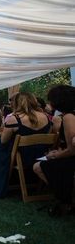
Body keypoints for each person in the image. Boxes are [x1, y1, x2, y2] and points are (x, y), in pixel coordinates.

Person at [0, 92, 52, 198]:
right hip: (43, 156)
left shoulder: (14, 118)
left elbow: (3, 141)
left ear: (17, 103)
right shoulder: (45, 117)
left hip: (23, 158)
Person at [33, 85, 75, 216]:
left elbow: (72, 150)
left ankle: (66, 198)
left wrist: (56, 155)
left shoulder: (68, 117)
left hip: (71, 160)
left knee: (38, 167)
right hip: (68, 156)